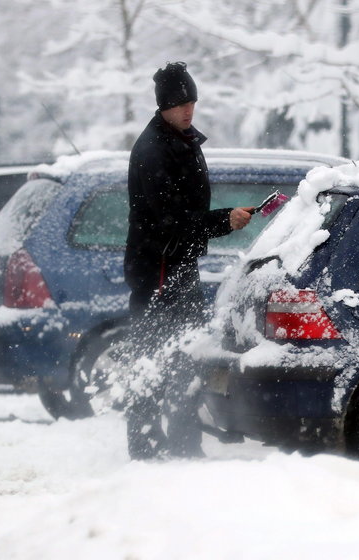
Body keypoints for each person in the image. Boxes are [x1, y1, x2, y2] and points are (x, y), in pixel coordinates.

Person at [122, 61, 253, 460]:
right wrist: (223, 221)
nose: (188, 110)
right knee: (153, 359)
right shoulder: (154, 151)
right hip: (158, 272)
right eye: (179, 104)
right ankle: (145, 445)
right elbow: (170, 221)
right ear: (163, 106)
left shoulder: (182, 140)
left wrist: (218, 222)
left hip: (179, 266)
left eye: (192, 102)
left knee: (186, 356)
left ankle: (182, 440)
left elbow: (184, 216)